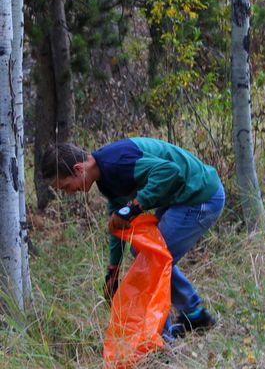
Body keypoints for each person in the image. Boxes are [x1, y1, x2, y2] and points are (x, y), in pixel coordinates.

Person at [41, 137, 225, 338]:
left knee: (150, 259)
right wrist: (114, 270)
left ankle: (159, 340)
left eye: (66, 186)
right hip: (182, 197)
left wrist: (133, 207)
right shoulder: (104, 174)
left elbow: (170, 172)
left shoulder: (117, 163)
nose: (68, 193)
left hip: (201, 196)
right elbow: (119, 222)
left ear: (78, 169)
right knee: (143, 252)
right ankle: (193, 314)